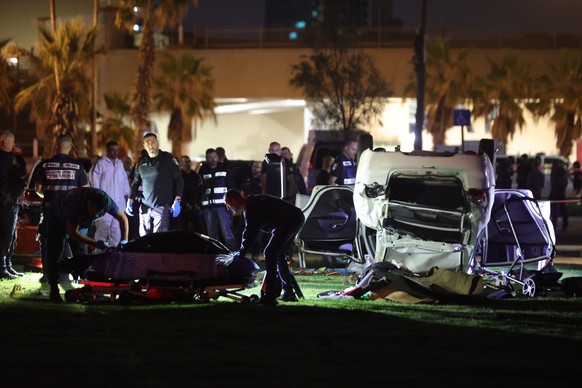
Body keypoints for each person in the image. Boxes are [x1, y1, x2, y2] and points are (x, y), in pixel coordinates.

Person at [45, 187, 129, 302]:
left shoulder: (107, 202)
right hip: (57, 218)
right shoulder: (75, 205)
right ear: (88, 204)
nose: (95, 216)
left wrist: (124, 240)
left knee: (82, 257)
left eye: (98, 214)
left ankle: (87, 290)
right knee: (55, 253)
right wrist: (96, 244)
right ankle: (54, 290)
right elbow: (72, 233)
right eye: (93, 213)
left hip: (81, 222)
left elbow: (123, 219)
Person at [225, 189, 304, 305]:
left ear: (233, 200)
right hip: (295, 217)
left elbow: (250, 233)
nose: (228, 208)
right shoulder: (252, 203)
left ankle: (270, 295)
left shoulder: (252, 208)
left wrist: (241, 254)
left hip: (290, 220)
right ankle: (288, 292)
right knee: (279, 254)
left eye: (228, 204)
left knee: (270, 252)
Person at [35, 134, 89, 284]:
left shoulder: (45, 165)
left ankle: (48, 274)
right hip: (71, 211)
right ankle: (78, 275)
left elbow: (38, 189)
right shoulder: (78, 166)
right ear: (70, 148)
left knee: (49, 243)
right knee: (75, 243)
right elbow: (85, 189)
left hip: (51, 211)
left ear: (56, 146)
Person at [127, 132, 183, 236]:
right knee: (143, 239)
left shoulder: (167, 159)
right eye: (147, 143)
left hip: (162, 206)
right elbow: (135, 182)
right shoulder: (141, 162)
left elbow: (179, 180)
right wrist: (130, 199)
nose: (150, 145)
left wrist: (177, 200)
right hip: (145, 206)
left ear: (157, 143)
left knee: (159, 239)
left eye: (153, 142)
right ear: (144, 145)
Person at [90, 141, 131, 249]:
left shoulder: (120, 164)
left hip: (118, 205)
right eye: (113, 150)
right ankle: (98, 255)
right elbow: (95, 182)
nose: (115, 152)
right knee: (102, 230)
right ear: (107, 150)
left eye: (117, 150)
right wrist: (98, 199)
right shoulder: (101, 163)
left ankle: (114, 256)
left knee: (117, 232)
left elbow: (124, 182)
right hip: (104, 204)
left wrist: (127, 196)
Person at [0, 130, 27, 280]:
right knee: (5, 237)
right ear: (4, 143)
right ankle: (2, 268)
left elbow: (20, 173)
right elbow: (21, 172)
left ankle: (7, 265)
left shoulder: (8, 157)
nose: (14, 145)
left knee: (10, 236)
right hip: (6, 204)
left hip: (11, 203)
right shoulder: (5, 159)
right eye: (12, 142)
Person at [199, 148, 238, 251]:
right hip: (208, 207)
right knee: (211, 234)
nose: (212, 159)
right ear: (206, 158)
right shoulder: (203, 170)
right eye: (210, 157)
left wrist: (231, 204)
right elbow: (200, 188)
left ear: (218, 157)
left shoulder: (225, 168)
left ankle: (234, 253)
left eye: (214, 157)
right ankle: (215, 255)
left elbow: (231, 186)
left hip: (223, 206)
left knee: (226, 232)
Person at [179, 155, 204, 232]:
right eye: (185, 162)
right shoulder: (178, 177)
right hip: (183, 208)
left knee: (197, 228)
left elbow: (201, 190)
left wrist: (198, 203)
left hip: (195, 207)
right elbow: (179, 192)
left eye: (189, 161)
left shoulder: (195, 176)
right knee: (183, 228)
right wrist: (185, 204)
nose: (188, 163)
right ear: (181, 164)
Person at [549, 159, 569, 231]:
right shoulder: (561, 171)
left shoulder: (556, 171)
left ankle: (556, 224)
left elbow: (554, 181)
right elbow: (565, 182)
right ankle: (563, 224)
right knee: (561, 209)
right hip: (560, 193)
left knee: (556, 209)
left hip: (556, 193)